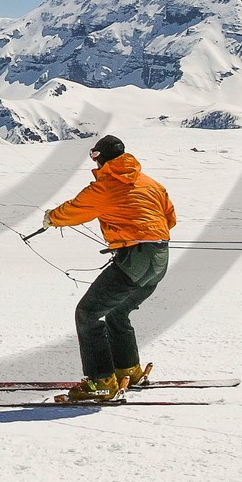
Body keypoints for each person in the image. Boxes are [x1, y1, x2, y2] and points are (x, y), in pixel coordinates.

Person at [40, 134, 177, 401]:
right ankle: (129, 371)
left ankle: (101, 381)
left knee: (88, 313)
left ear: (101, 157)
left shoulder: (105, 186)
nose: (94, 161)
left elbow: (76, 209)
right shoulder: (151, 184)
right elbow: (169, 218)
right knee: (117, 311)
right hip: (160, 258)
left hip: (134, 258)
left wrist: (51, 218)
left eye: (94, 156)